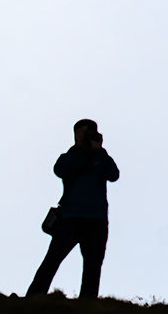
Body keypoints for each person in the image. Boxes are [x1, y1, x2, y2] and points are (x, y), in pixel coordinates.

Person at [27, 119, 120, 299]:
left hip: (97, 219)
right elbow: (59, 170)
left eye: (87, 133)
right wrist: (78, 150)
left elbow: (114, 175)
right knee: (52, 259)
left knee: (93, 265)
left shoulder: (101, 157)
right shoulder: (69, 156)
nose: (83, 136)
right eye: (80, 133)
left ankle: (87, 302)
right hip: (70, 217)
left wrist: (99, 150)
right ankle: (34, 296)